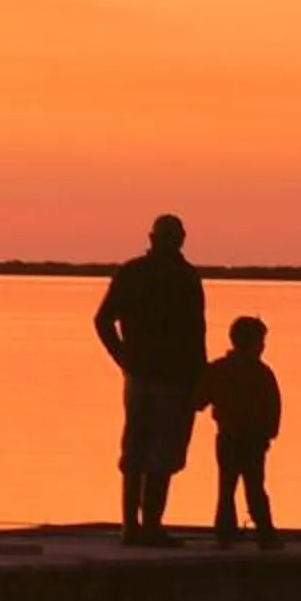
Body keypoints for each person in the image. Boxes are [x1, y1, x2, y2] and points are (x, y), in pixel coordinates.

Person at [93, 213, 208, 545]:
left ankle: (137, 527)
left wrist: (124, 359)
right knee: (155, 451)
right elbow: (103, 320)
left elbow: (195, 331)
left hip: (155, 376)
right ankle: (143, 527)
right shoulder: (176, 275)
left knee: (141, 450)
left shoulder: (149, 273)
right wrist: (123, 358)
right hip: (165, 378)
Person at [194, 314, 283, 549]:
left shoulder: (219, 369)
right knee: (254, 487)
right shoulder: (262, 373)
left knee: (227, 487)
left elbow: (199, 400)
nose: (263, 347)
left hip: (229, 438)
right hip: (252, 440)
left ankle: (225, 534)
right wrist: (269, 433)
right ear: (255, 343)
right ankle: (265, 535)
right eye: (261, 342)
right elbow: (272, 407)